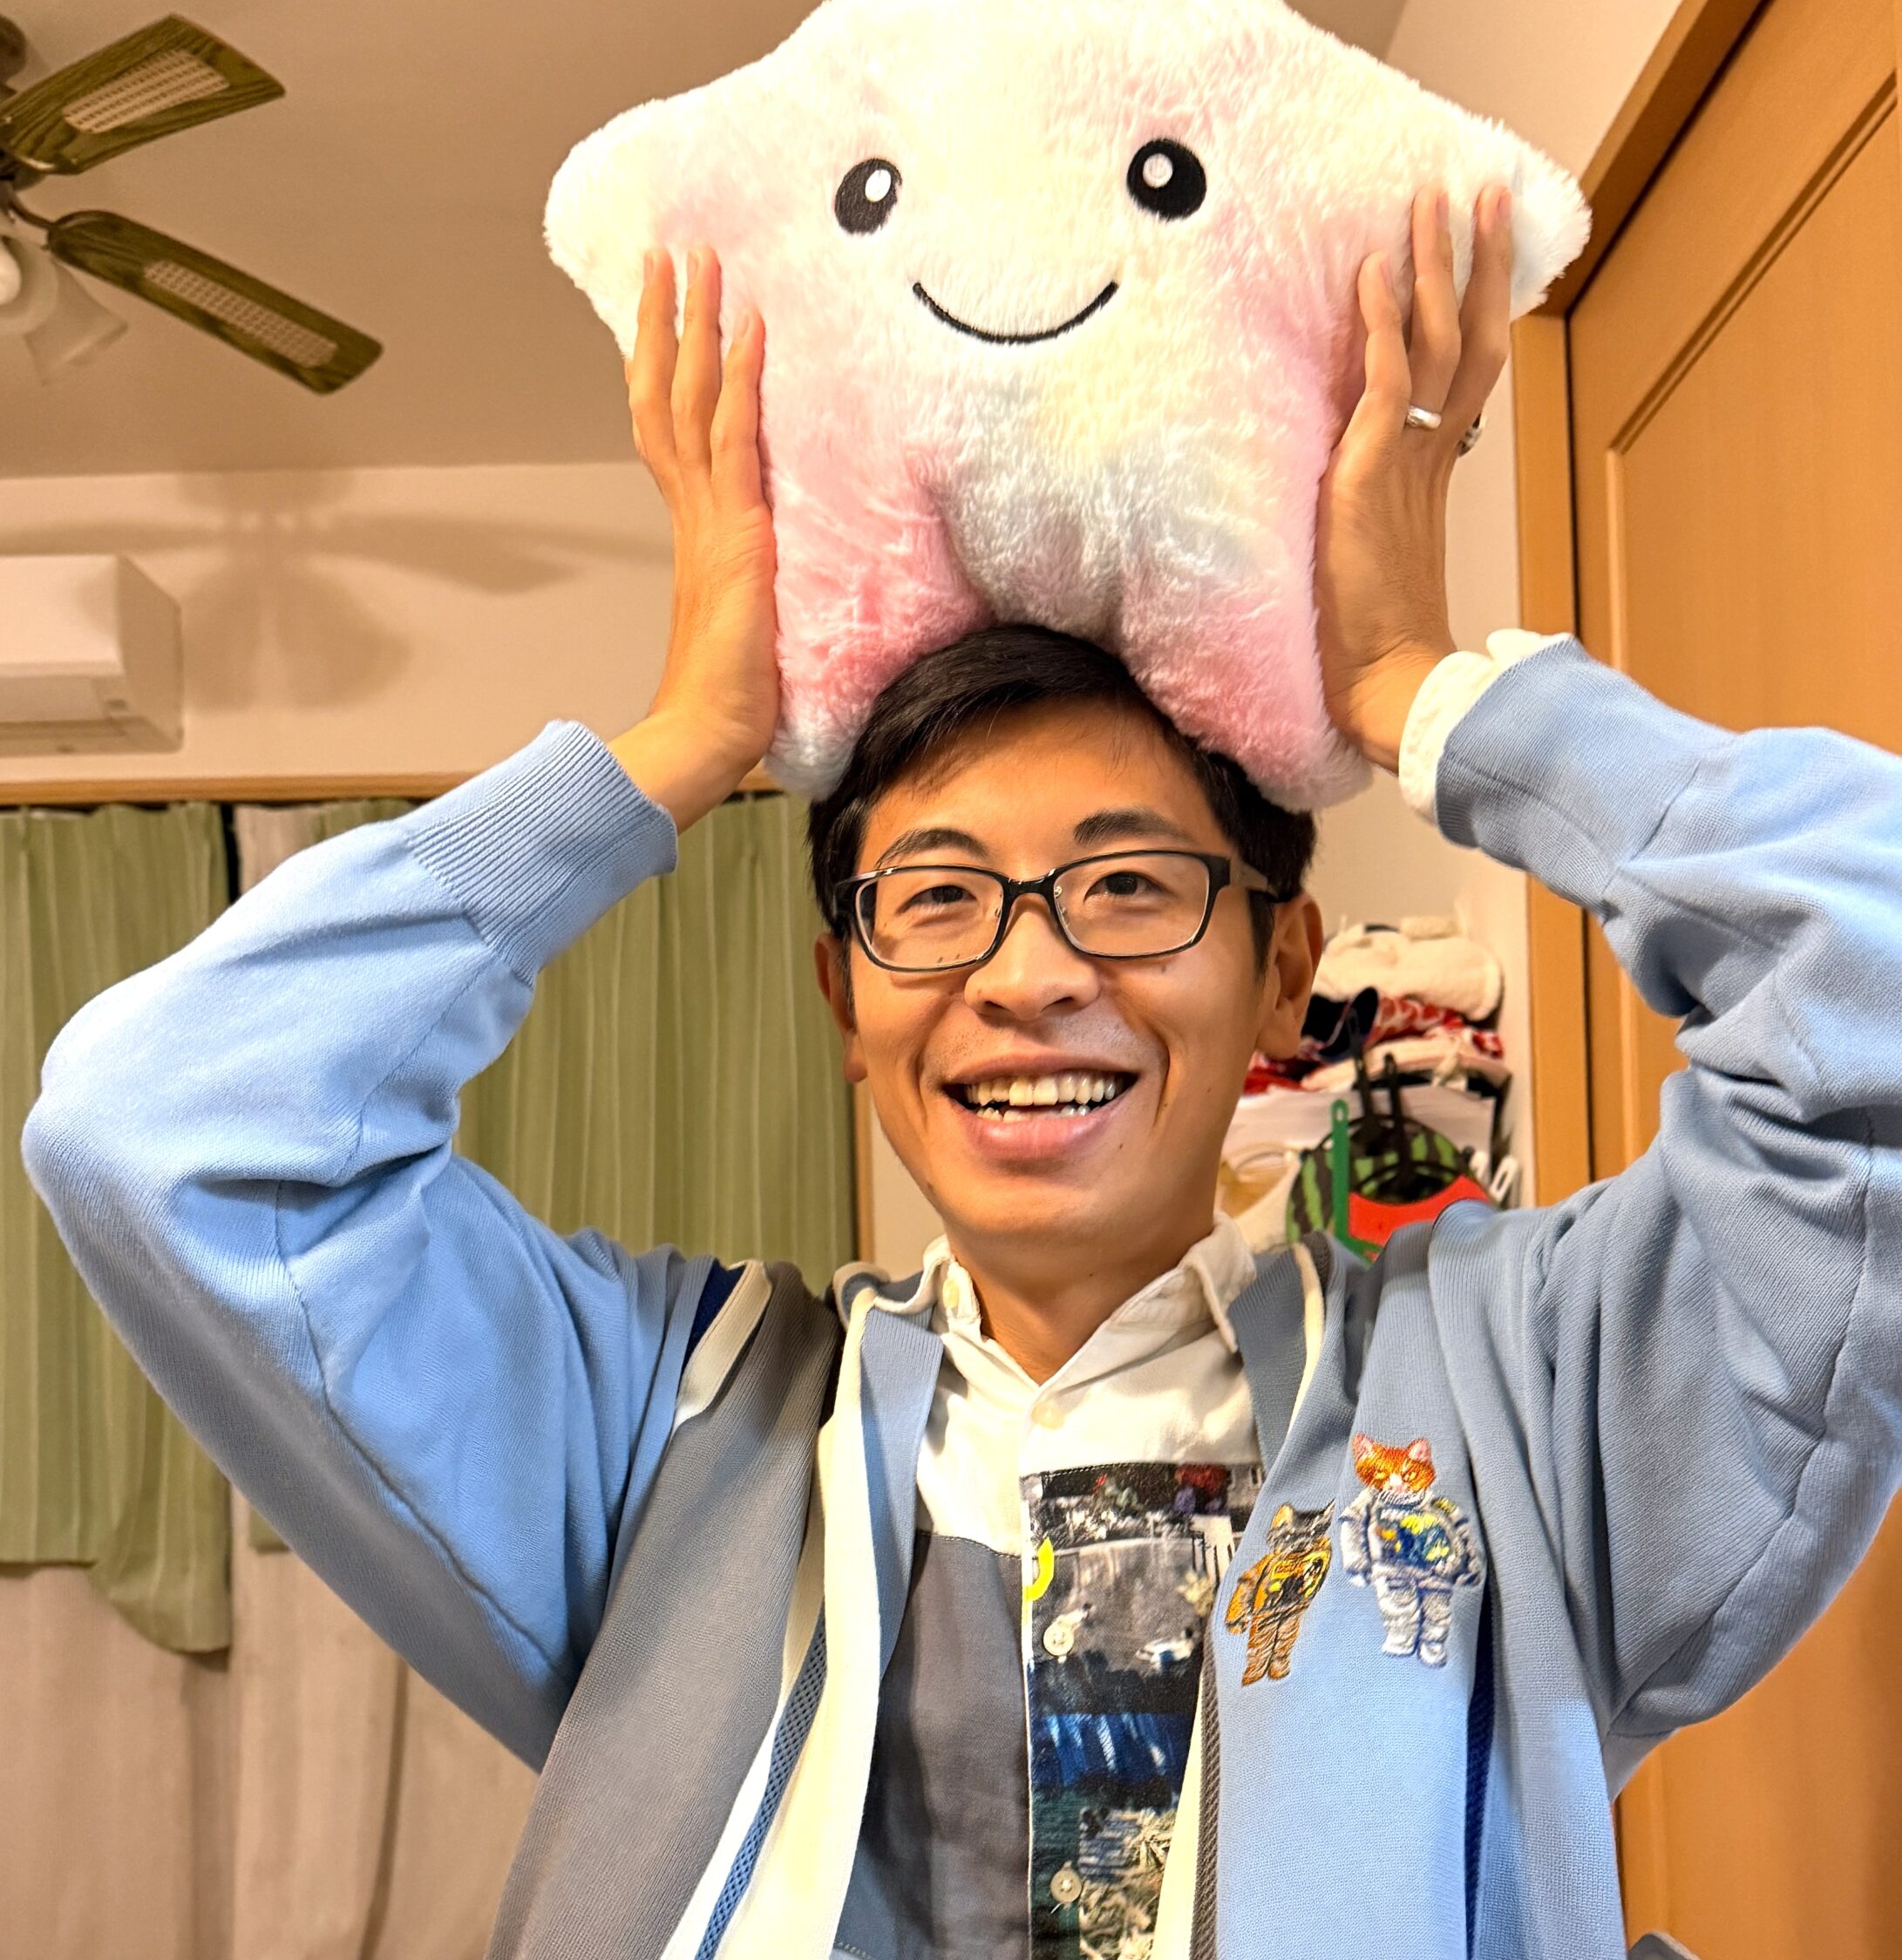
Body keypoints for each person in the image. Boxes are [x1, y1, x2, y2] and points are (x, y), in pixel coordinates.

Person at [23, 187, 1902, 1960]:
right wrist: (677, 744)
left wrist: (1425, 687)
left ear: (1282, 972)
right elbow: (166, 1122)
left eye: (1129, 885)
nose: (1028, 972)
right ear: (844, 1002)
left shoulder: (1525, 1389)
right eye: (933, 898)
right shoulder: (670, 1433)